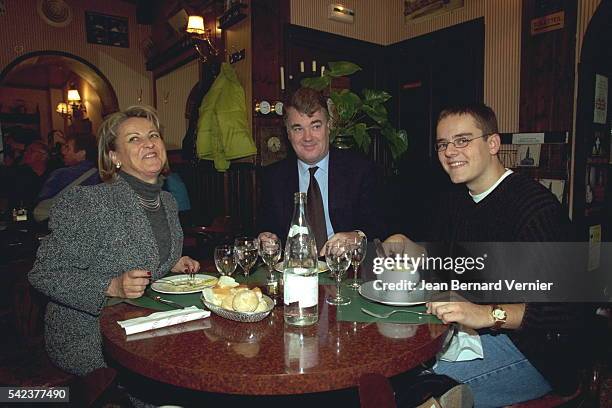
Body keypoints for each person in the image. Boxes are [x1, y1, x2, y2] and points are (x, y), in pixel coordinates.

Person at [393, 103, 587, 407]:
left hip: (537, 353)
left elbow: (565, 309)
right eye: (443, 144)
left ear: (493, 143)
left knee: (421, 391)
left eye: (462, 140)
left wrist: (485, 314)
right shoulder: (455, 200)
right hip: (471, 335)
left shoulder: (536, 209)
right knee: (396, 372)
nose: (450, 152)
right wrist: (410, 246)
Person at [28, 105, 200, 376]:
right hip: (92, 337)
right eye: (134, 139)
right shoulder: (88, 202)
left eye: (153, 135)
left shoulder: (167, 201)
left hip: (145, 323)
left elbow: (138, 258)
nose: (149, 143)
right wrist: (112, 285)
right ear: (113, 157)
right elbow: (44, 274)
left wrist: (170, 262)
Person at [258, 87, 386, 250]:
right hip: (294, 270)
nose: (308, 137)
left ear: (329, 126)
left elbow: (378, 228)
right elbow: (265, 229)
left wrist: (356, 237)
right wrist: (266, 238)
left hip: (346, 269)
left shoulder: (360, 171)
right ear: (288, 133)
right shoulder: (273, 178)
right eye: (298, 129)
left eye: (315, 126)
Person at [37, 132, 100, 201]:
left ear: (81, 154)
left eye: (68, 148)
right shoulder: (102, 175)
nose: (63, 152)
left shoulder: (61, 174)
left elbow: (42, 201)